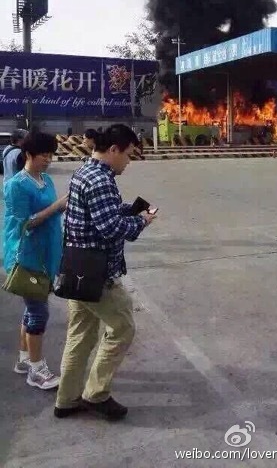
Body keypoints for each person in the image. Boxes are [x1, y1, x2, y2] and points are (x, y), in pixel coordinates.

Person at [54, 124, 156, 421]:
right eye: (127, 155)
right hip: (97, 277)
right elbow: (111, 229)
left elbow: (101, 214)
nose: (128, 161)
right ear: (113, 150)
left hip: (76, 272)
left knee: (80, 335)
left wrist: (128, 210)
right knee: (123, 329)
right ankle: (96, 394)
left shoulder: (85, 171)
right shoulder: (100, 181)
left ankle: (67, 399)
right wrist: (143, 222)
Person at [3, 132, 67, 389]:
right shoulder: (16, 185)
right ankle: (36, 370)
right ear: (28, 154)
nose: (48, 160)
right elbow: (23, 223)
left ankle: (24, 359)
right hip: (28, 254)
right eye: (44, 155)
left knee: (32, 308)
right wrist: (56, 207)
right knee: (39, 311)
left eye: (51, 155)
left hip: (47, 251)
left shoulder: (46, 179)